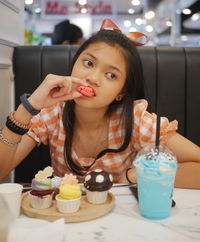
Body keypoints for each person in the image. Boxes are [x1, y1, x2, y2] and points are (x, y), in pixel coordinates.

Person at [0, 19, 200, 187]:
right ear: (74, 64)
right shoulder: (52, 113)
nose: (93, 78)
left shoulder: (136, 119)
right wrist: (28, 108)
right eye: (88, 63)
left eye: (111, 75)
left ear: (121, 92)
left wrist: (136, 176)